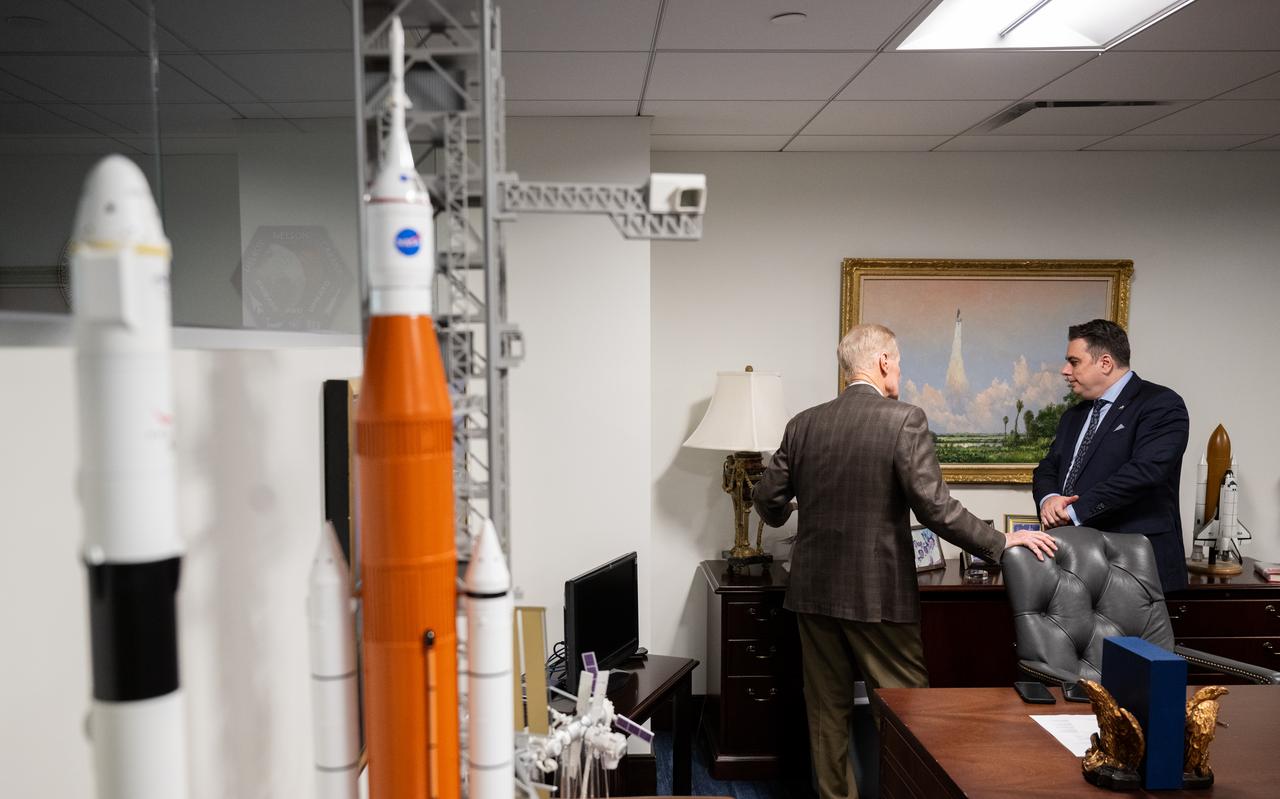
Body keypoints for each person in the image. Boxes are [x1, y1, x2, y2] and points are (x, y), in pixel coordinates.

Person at [752, 323, 1057, 799]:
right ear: (882, 363)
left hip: (812, 592)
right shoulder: (904, 419)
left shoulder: (803, 424)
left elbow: (768, 502)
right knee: (908, 711)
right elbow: (935, 508)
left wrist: (797, 508)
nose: (900, 372)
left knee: (826, 712)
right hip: (878, 596)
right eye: (899, 363)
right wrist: (1001, 542)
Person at [1033, 318, 1190, 592]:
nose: (1064, 370)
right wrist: (1049, 501)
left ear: (1105, 363)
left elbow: (1144, 473)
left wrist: (1072, 512)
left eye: (1074, 361)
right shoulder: (1074, 415)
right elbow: (1047, 467)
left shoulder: (1161, 405)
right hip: (1076, 566)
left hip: (1136, 568)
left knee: (1133, 639)